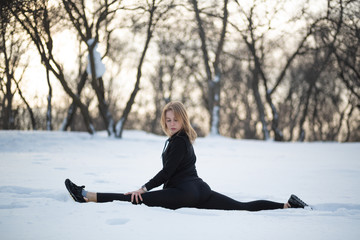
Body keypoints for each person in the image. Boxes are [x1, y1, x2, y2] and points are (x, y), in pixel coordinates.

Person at [65, 101, 309, 211]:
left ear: (183, 119)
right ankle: (287, 206)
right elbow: (173, 171)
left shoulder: (180, 142)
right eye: (168, 119)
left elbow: (167, 173)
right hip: (199, 189)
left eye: (175, 119)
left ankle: (85, 195)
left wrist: (144, 188)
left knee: (133, 199)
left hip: (186, 192)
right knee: (240, 207)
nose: (171, 123)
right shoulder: (179, 140)